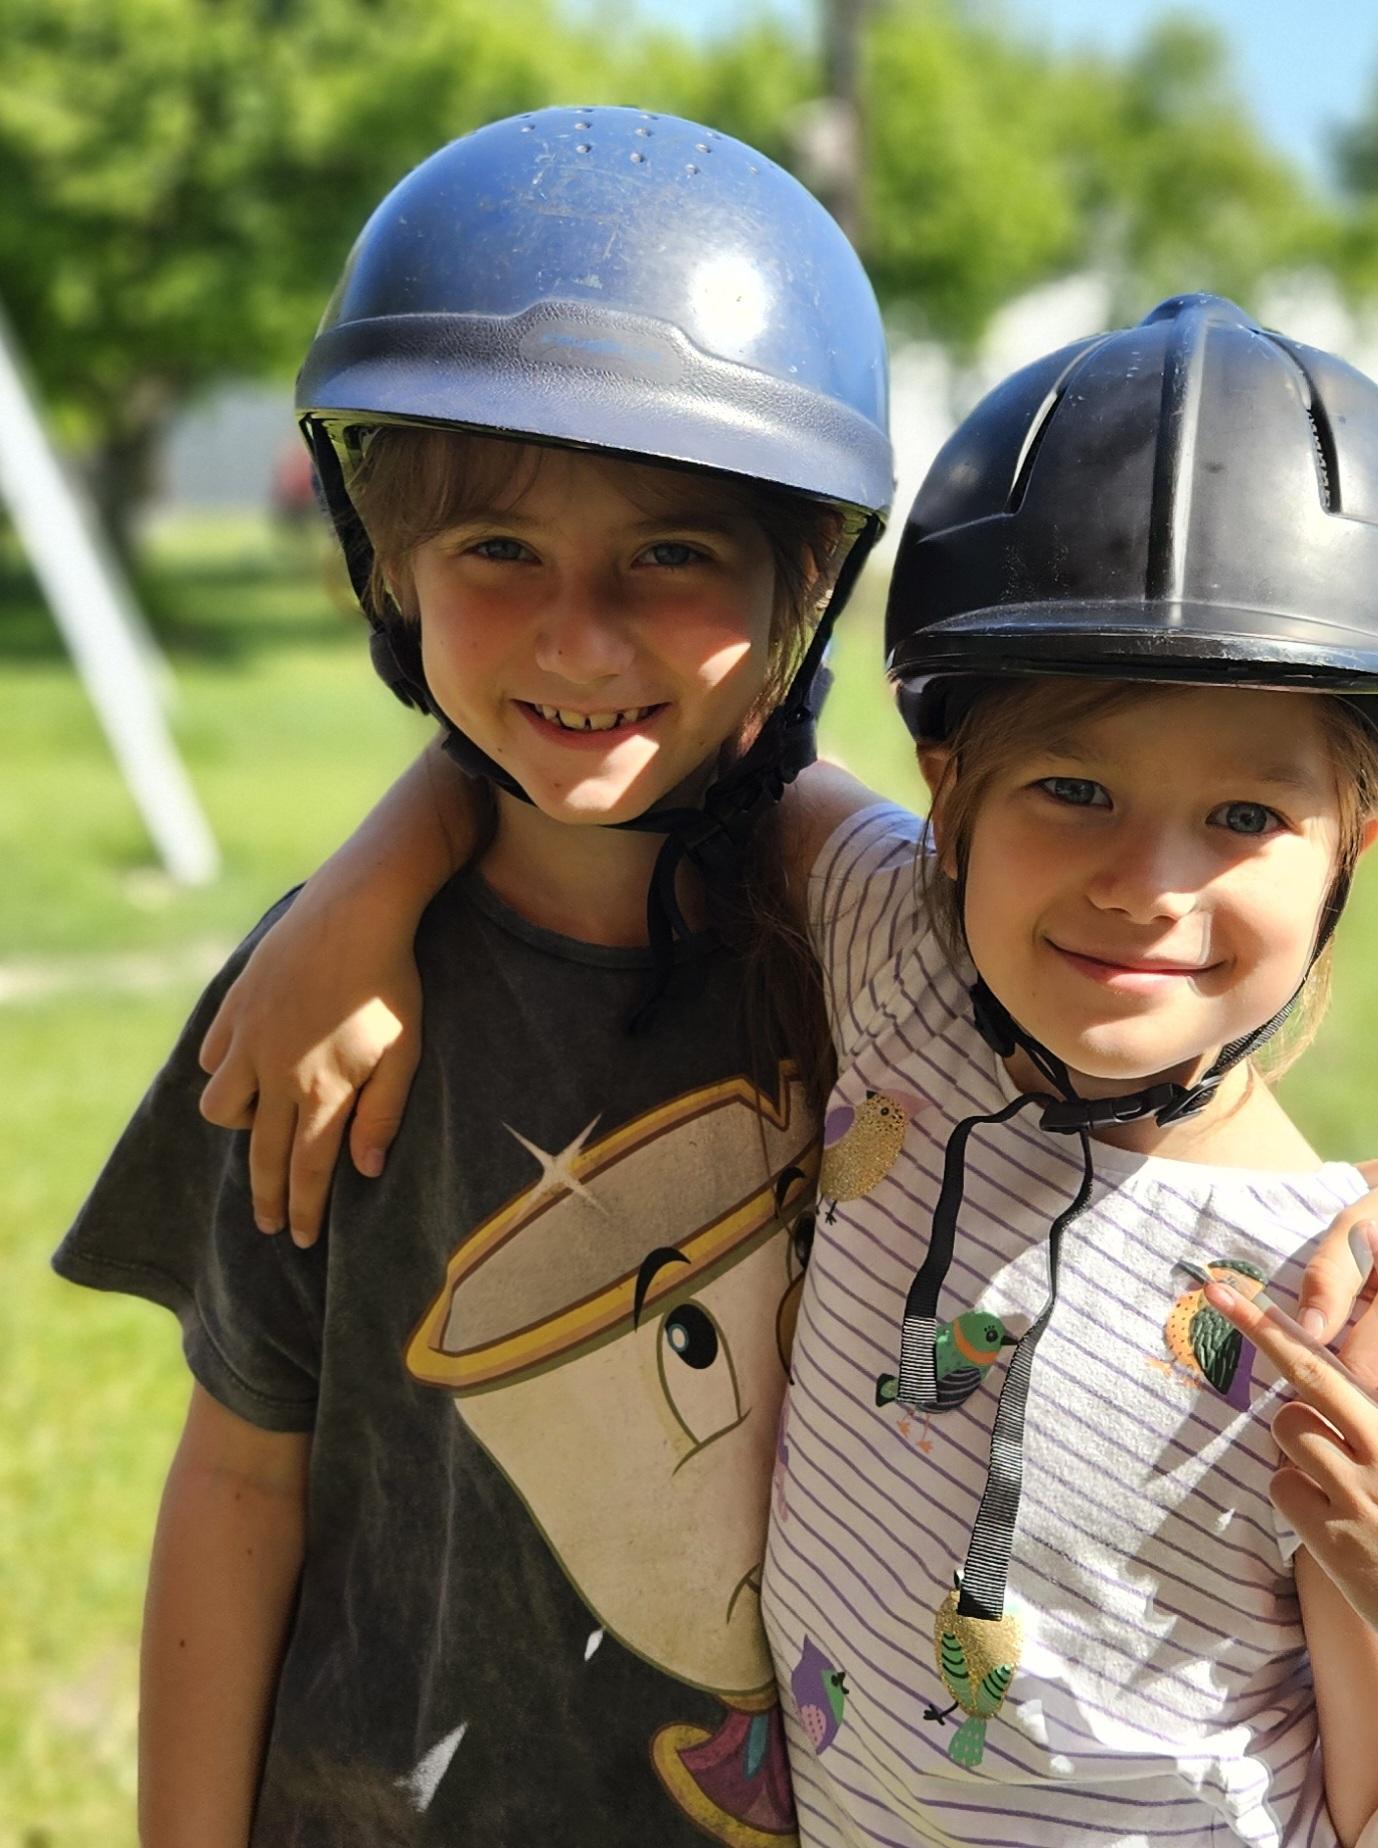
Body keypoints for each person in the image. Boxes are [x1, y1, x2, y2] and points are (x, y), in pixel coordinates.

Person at [53, 105, 896, 1847]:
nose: (580, 635)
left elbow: (1181, 1131)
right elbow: (241, 1483)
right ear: (391, 570)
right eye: (498, 549)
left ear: (803, 583)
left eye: (671, 552)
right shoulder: (317, 1004)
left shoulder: (882, 975)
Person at [760, 295, 1378, 1845]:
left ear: (1352, 848)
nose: (1149, 884)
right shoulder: (900, 963)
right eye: (1073, 787)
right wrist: (378, 879)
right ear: (948, 792)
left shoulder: (1348, 1313)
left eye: (1246, 818)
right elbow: (693, 757)